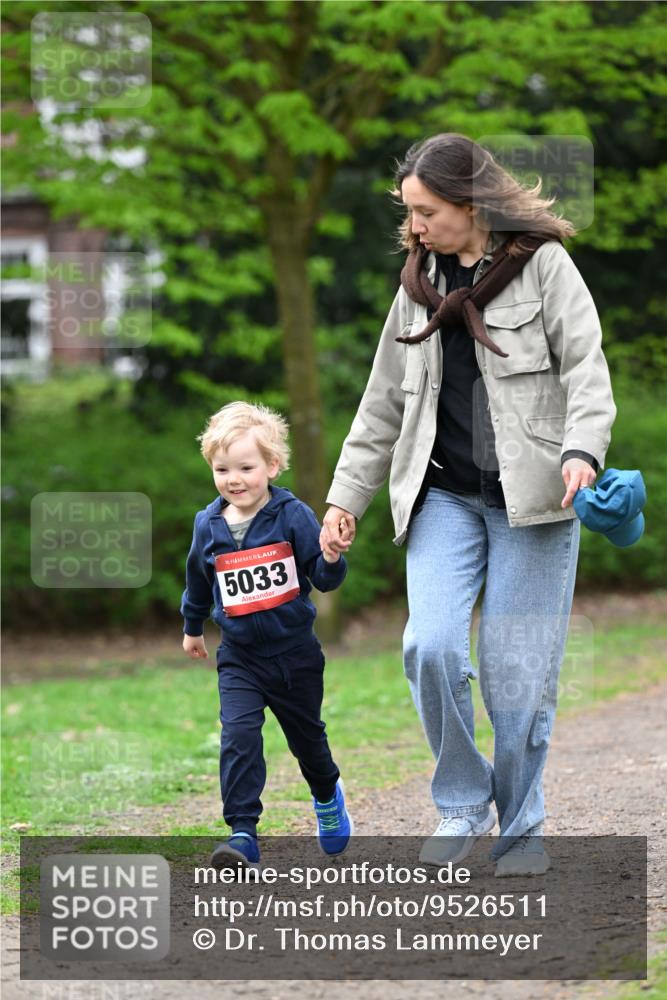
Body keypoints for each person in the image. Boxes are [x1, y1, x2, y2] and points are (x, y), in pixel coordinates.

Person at [320, 133, 616, 877]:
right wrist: (343, 498)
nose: (414, 227)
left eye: (426, 211)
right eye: (409, 212)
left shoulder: (543, 266)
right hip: (443, 496)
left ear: (471, 202)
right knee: (429, 645)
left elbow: (586, 368)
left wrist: (582, 450)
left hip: (534, 501)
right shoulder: (414, 282)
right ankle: (460, 800)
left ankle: (520, 828)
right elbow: (381, 403)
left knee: (515, 676)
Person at [181, 401, 352, 867]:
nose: (233, 479)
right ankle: (242, 834)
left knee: (307, 741)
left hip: (294, 653)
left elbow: (322, 576)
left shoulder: (292, 514)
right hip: (239, 656)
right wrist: (193, 627)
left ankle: (326, 795)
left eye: (245, 467)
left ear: (272, 465)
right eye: (222, 469)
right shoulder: (208, 524)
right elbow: (199, 579)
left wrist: (332, 556)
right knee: (238, 735)